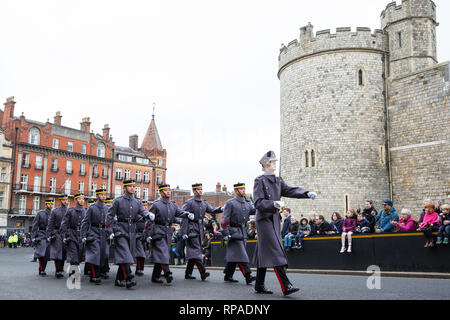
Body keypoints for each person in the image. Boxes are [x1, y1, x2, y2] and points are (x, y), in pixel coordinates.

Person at [253, 150, 316, 296]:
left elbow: (291, 191)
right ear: (266, 164)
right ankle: (286, 285)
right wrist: (273, 204)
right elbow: (258, 202)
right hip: (264, 220)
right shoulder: (259, 181)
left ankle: (259, 284)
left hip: (274, 219)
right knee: (275, 250)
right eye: (273, 162)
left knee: (265, 251)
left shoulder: (278, 180)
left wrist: (306, 193)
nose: (275, 164)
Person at [106, 179, 154, 289]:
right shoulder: (118, 201)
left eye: (134, 186)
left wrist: (148, 214)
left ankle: (118, 279)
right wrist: (110, 231)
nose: (133, 188)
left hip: (132, 230)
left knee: (126, 255)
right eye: (130, 186)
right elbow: (109, 216)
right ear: (125, 188)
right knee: (125, 253)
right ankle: (129, 277)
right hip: (120, 229)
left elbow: (143, 211)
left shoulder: (137, 201)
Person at [145, 184, 189, 284]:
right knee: (163, 252)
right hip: (158, 230)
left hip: (168, 231)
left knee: (162, 253)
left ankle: (155, 277)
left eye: (169, 190)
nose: (168, 192)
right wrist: (147, 234)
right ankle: (167, 273)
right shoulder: (155, 204)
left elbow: (179, 213)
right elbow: (149, 221)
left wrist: (187, 215)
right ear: (160, 193)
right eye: (165, 190)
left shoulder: (173, 204)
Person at [181, 182, 223, 281]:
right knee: (196, 250)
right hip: (191, 228)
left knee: (194, 251)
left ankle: (188, 273)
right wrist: (183, 232)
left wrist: (221, 208)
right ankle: (203, 272)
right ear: (194, 191)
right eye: (198, 189)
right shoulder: (189, 203)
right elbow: (183, 216)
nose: (200, 191)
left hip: (200, 228)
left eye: (201, 189)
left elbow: (212, 210)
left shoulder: (204, 203)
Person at [221, 182, 257, 285]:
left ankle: (228, 275)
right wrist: (225, 232)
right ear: (236, 191)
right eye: (241, 189)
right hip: (233, 231)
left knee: (235, 255)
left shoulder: (247, 203)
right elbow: (225, 219)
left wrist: (261, 204)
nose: (243, 191)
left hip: (243, 231)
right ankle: (248, 275)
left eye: (244, 189)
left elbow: (253, 210)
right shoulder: (230, 203)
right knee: (241, 254)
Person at [80, 189, 110, 285]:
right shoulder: (92, 208)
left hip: (103, 232)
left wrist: (111, 232)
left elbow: (110, 222)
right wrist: (83, 235)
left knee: (103, 254)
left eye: (105, 195)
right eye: (101, 195)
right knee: (95, 253)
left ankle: (100, 272)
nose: (103, 196)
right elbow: (85, 222)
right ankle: (94, 276)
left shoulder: (107, 208)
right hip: (93, 232)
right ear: (97, 196)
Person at [61, 193, 88, 277]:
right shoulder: (70, 211)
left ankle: (74, 267)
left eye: (83, 199)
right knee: (73, 253)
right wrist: (64, 236)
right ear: (75, 200)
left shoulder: (86, 211)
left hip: (81, 234)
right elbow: (64, 224)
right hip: (72, 233)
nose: (82, 200)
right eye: (79, 199)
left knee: (80, 253)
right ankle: (74, 271)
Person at [46, 194, 69, 279]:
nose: (65, 201)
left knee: (63, 252)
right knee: (57, 252)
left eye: (66, 200)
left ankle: (61, 269)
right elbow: (50, 224)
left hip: (65, 233)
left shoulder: (69, 210)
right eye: (63, 200)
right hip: (57, 232)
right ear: (60, 201)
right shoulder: (55, 211)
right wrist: (49, 234)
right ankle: (58, 270)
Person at [31, 199, 53, 276]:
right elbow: (35, 226)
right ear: (45, 205)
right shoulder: (40, 213)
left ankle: (42, 268)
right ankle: (42, 269)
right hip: (41, 234)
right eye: (49, 204)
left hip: (49, 235)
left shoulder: (53, 213)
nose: (50, 205)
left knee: (47, 255)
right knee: (41, 254)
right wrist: (33, 237)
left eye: (51, 204)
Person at [134, 200, 148, 277]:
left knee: (143, 254)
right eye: (143, 206)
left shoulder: (147, 215)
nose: (145, 207)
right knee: (140, 254)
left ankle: (140, 269)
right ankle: (139, 269)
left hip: (144, 236)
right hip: (137, 236)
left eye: (146, 206)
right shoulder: (136, 215)